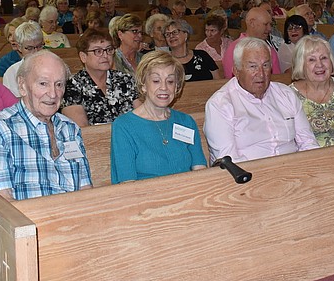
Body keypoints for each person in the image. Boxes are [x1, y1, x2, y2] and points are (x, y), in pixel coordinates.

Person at [0, 51, 92, 201]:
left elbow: (86, 191)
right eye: (43, 83)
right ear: (22, 86)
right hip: (30, 221)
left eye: (59, 84)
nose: (53, 94)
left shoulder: (70, 129)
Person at [204, 37, 319, 163]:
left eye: (265, 65)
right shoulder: (220, 104)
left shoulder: (286, 94)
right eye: (253, 66)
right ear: (236, 71)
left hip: (296, 171)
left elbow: (308, 143)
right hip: (251, 177)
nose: (261, 74)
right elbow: (230, 163)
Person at [111, 50, 207, 183]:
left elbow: (200, 170)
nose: (164, 87)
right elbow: (127, 183)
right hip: (146, 199)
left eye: (170, 81)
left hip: (187, 194)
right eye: (156, 81)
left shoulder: (186, 121)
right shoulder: (124, 126)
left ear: (177, 86)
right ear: (143, 85)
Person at [62, 29, 138, 127]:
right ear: (83, 56)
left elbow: (141, 119)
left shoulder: (126, 80)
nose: (105, 55)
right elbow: (82, 130)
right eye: (98, 51)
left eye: (109, 50)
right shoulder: (72, 86)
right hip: (96, 140)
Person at [221, 7, 281, 78]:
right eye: (265, 24)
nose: (269, 29)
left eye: (270, 24)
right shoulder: (234, 50)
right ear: (252, 23)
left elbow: (277, 79)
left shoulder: (269, 49)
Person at [2, 21, 45, 97]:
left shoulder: (53, 66)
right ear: (19, 47)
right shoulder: (11, 73)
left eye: (39, 46)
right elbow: (13, 104)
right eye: (29, 48)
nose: (35, 52)